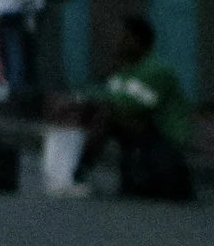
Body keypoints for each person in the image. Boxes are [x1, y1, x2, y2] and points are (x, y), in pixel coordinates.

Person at [69, 12, 195, 199]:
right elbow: (107, 95)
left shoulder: (157, 70)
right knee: (94, 110)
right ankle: (73, 170)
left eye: (124, 37)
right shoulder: (125, 71)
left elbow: (133, 107)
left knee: (107, 114)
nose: (118, 42)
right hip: (143, 131)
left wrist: (98, 104)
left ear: (138, 41)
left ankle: (79, 171)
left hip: (165, 136)